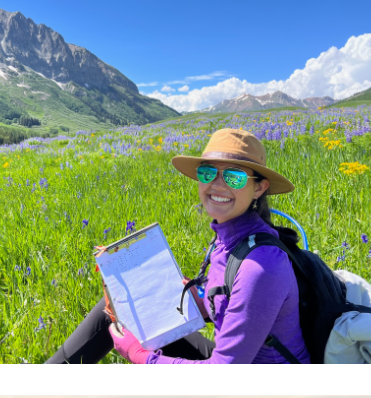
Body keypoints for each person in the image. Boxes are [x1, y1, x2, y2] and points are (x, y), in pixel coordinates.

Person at [46, 129, 310, 364]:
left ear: (259, 188)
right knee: (118, 308)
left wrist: (139, 355)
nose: (218, 184)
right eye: (208, 173)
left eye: (235, 177)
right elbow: (234, 303)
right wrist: (199, 298)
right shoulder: (230, 239)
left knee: (126, 324)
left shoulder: (260, 265)